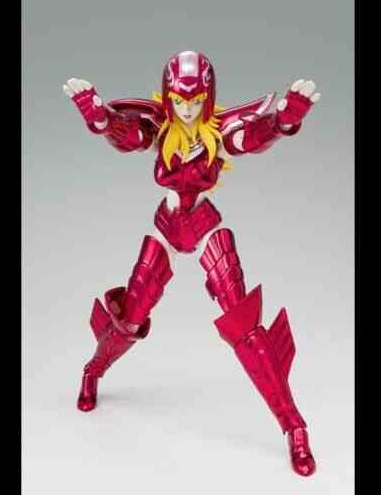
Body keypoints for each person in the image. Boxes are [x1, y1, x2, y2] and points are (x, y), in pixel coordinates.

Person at [63, 50, 321, 476]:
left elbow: (250, 137)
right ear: (168, 98)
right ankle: (93, 371)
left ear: (208, 98)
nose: (187, 110)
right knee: (130, 317)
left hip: (203, 223)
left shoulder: (217, 133)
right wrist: (100, 118)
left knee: (244, 324)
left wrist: (283, 121)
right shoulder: (159, 131)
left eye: (196, 101)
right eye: (180, 101)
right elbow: (129, 135)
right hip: (167, 226)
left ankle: (293, 425)